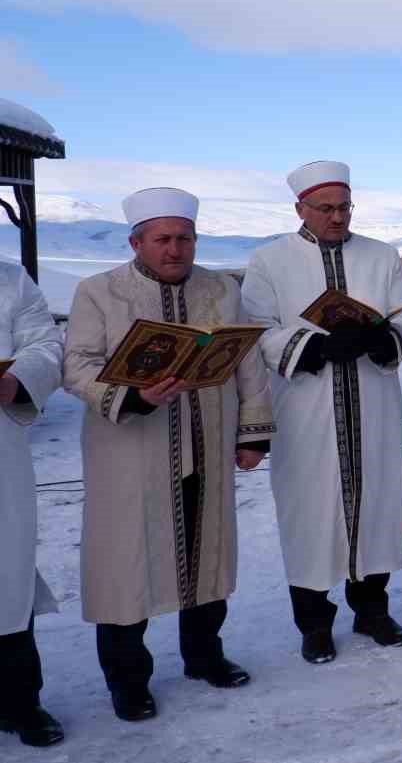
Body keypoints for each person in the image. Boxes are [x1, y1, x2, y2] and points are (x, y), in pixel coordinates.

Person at [63, 188, 273, 720]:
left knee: (208, 552)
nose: (175, 249)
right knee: (125, 565)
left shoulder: (222, 288)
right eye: (163, 239)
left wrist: (252, 435)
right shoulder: (99, 291)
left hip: (208, 441)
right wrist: (131, 395)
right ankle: (128, 681)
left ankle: (205, 656)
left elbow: (247, 362)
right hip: (130, 451)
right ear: (137, 242)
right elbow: (77, 365)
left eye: (184, 238)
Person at [241, 160, 402, 663]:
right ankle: (314, 624)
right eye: (326, 209)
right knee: (310, 514)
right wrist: (315, 348)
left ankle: (372, 612)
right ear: (300, 208)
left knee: (376, 507)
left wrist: (382, 337)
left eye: (344, 208)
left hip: (373, 406)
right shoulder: (269, 261)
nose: (337, 217)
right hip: (306, 410)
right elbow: (257, 327)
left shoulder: (382, 257)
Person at [0, 262, 65, 747]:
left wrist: (16, 379)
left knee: (6, 578)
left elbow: (45, 343)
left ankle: (22, 704)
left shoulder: (9, 279)